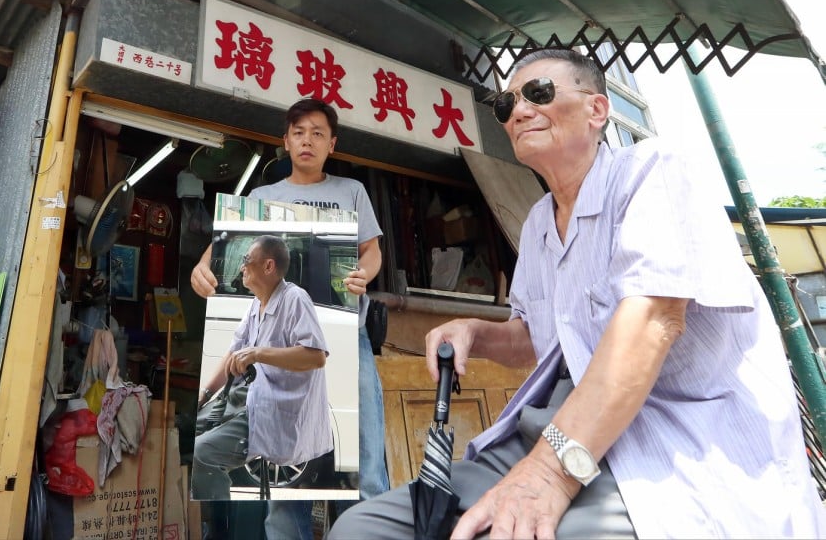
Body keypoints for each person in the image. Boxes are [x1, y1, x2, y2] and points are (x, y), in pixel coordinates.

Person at [330, 48, 826, 539]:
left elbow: (653, 321)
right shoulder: (539, 224)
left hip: (672, 434)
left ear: (597, 110)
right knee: (362, 527)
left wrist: (548, 475)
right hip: (553, 428)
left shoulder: (652, 170)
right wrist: (475, 331)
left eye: (539, 93)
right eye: (505, 106)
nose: (519, 111)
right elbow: (535, 339)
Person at [191, 98, 387, 538]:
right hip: (281, 360)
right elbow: (223, 247)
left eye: (318, 133)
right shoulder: (263, 198)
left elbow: (371, 250)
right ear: (285, 141)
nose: (308, 140)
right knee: (283, 490)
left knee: (364, 462)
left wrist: (363, 274)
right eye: (299, 132)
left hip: (346, 337)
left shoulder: (350, 191)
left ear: (332, 143)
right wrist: (202, 268)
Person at [192, 235, 333, 500]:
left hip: (274, 413)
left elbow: (316, 357)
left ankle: (220, 523)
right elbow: (234, 351)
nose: (242, 267)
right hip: (250, 402)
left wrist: (258, 353)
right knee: (191, 429)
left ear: (268, 266)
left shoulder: (295, 299)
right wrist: (206, 394)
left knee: (203, 452)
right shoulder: (256, 304)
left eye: (246, 260)